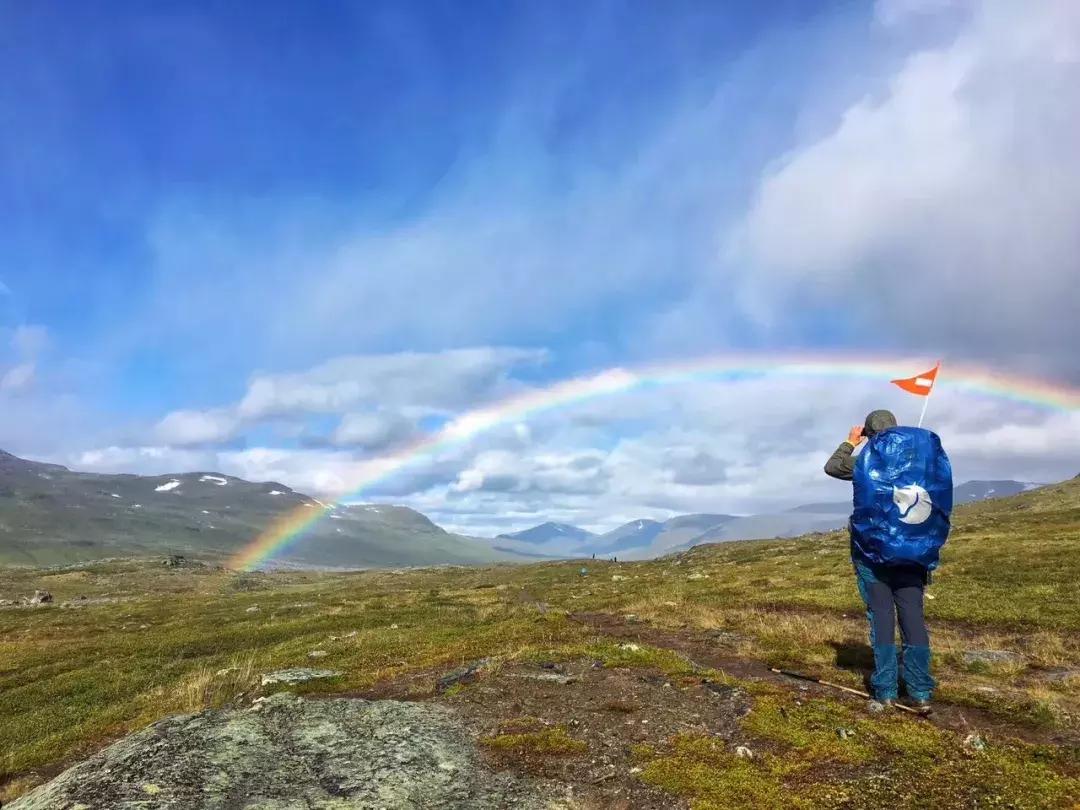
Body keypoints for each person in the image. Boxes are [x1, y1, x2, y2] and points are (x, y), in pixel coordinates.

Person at [825, 409, 935, 714]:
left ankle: (885, 692)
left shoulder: (865, 462)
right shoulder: (920, 464)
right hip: (912, 556)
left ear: (870, 435)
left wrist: (851, 442)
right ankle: (920, 692)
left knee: (882, 619)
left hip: (871, 555)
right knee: (913, 619)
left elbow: (832, 466)